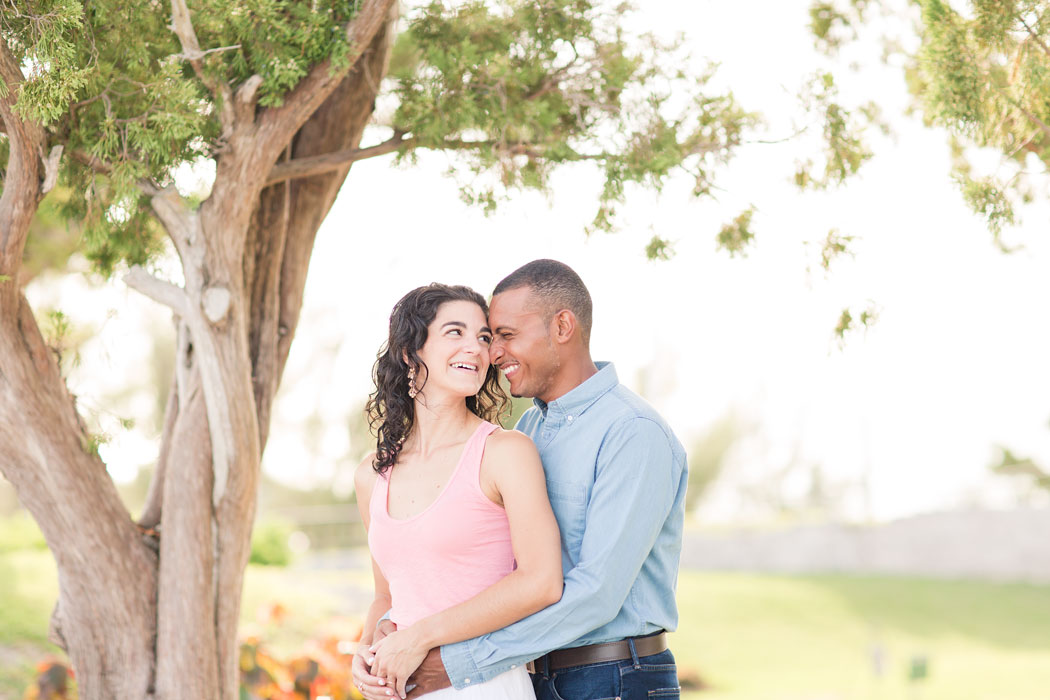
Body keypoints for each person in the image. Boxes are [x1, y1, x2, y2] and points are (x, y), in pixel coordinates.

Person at [355, 260, 689, 700]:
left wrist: (455, 662)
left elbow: (596, 593)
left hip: (614, 675)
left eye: (501, 336)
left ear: (563, 326)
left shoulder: (632, 432)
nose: (491, 354)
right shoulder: (528, 430)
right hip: (534, 673)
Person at [353, 283, 563, 700]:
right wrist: (364, 650)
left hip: (484, 685)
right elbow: (386, 596)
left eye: (483, 337)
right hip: (405, 688)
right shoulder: (371, 475)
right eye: (455, 332)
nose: (477, 348)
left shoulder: (505, 452)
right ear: (410, 353)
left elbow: (541, 582)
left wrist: (420, 638)